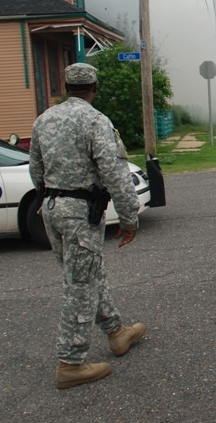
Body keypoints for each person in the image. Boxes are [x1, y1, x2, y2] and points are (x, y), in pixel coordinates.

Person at [29, 62, 146, 389]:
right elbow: (115, 174)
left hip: (51, 210)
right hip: (81, 213)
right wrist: (128, 219)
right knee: (79, 285)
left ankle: (117, 332)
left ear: (65, 88)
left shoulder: (44, 120)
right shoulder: (96, 121)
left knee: (88, 273)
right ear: (94, 87)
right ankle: (71, 363)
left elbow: (35, 171)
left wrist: (51, 198)